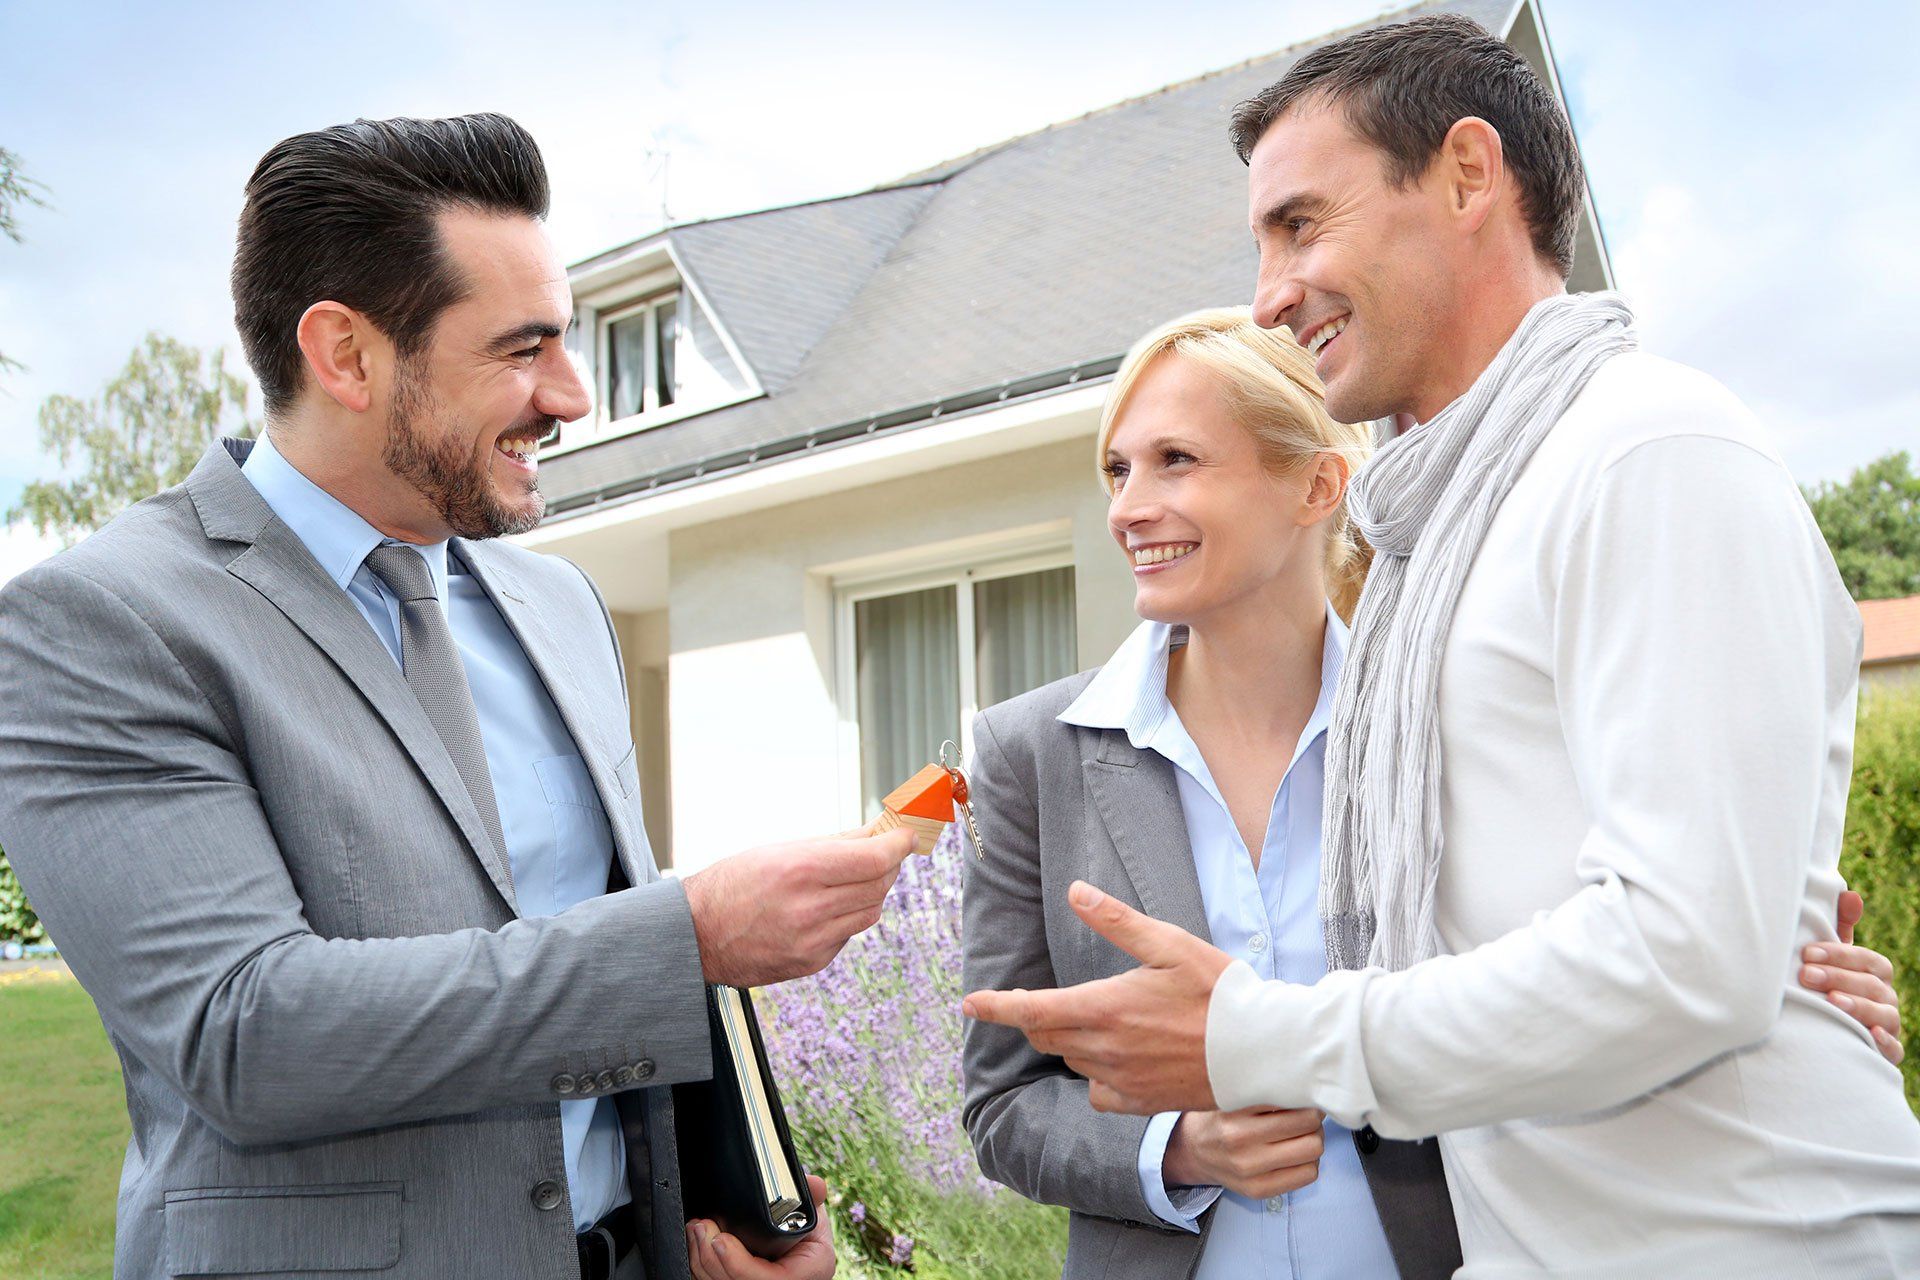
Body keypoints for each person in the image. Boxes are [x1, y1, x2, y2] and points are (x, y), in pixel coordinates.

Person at [963, 16, 1920, 1275]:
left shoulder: (1650, 452)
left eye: (1302, 223)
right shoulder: (1432, 549)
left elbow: (1688, 954)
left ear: (1470, 176)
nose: (1268, 292)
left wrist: (1260, 1032)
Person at [0, 114, 908, 1280]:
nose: (572, 395)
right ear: (347, 354)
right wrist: (688, 935)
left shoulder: (561, 607)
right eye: (522, 349)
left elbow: (585, 964)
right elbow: (244, 1031)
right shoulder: (103, 624)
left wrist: (738, 1209)